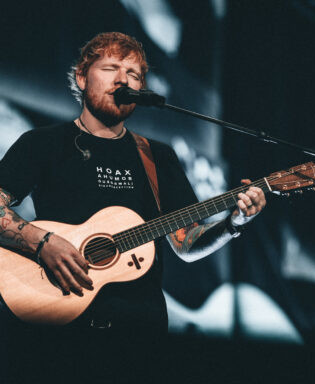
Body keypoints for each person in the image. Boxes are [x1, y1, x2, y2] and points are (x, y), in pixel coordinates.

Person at [0, 32, 266, 332]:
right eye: (111, 68)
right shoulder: (42, 143)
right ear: (82, 77)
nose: (123, 80)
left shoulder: (158, 157)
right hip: (59, 321)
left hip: (141, 326)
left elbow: (187, 243)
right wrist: (43, 242)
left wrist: (234, 223)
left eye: (133, 75)